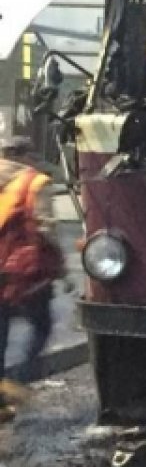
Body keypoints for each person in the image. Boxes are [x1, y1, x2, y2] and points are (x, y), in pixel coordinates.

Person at [0, 137, 63, 422]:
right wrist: (61, 264)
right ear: (23, 155)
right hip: (25, 269)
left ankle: (2, 402)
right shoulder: (34, 182)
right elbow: (45, 225)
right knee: (41, 325)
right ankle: (18, 383)